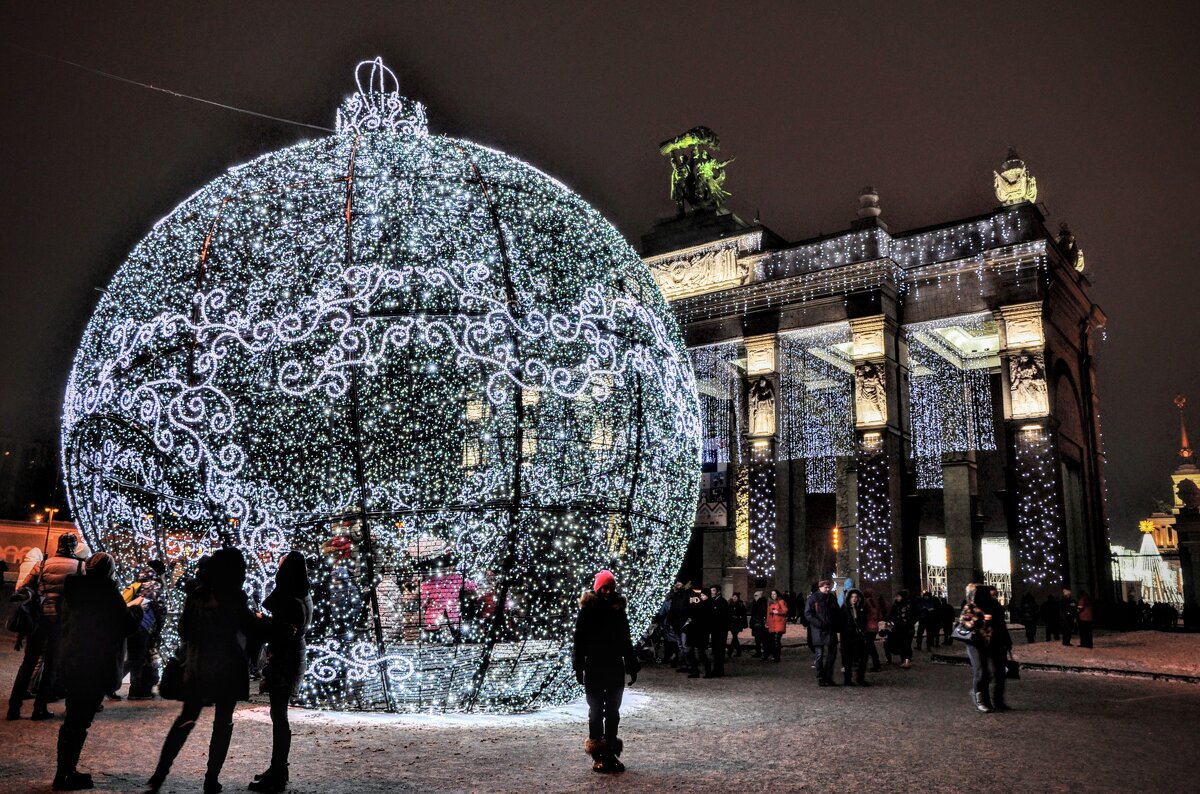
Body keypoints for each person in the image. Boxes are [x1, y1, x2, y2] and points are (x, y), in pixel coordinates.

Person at [146, 547, 261, 793]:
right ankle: (211, 777)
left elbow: (184, 630)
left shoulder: (197, 595)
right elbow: (250, 628)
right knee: (223, 722)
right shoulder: (234, 596)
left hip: (199, 663)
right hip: (227, 663)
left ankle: (160, 773)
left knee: (186, 718)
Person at [53, 552, 144, 790]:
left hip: (74, 660)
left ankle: (64, 770)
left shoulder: (73, 590)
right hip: (95, 665)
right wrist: (136, 612)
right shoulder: (108, 594)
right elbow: (124, 626)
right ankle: (65, 774)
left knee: (73, 719)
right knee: (80, 722)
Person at [248, 551, 313, 792]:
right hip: (289, 657)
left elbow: (283, 631)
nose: (278, 565)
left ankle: (278, 771)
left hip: (285, 661)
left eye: (282, 563)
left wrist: (260, 622)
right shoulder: (299, 593)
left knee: (279, 716)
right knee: (278, 716)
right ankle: (277, 767)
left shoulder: (291, 599)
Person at [8, 533, 85, 721]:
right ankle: (39, 708)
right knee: (51, 664)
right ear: (74, 547)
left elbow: (25, 588)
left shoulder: (42, 564)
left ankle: (14, 708)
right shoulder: (81, 567)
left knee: (28, 663)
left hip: (40, 618)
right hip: (62, 622)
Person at [573, 569, 639, 774]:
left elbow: (626, 641)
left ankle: (610, 752)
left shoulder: (618, 611)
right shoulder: (587, 611)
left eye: (611, 587)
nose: (609, 591)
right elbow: (579, 642)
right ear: (598, 587)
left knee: (612, 713)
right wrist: (578, 667)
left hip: (613, 667)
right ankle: (598, 755)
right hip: (594, 667)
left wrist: (631, 665)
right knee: (595, 713)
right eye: (605, 587)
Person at [959, 582, 1013, 713]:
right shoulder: (971, 607)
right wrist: (981, 621)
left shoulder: (995, 606)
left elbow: (1001, 626)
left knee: (999, 672)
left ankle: (998, 701)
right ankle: (981, 700)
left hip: (994, 642)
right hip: (977, 643)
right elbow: (964, 624)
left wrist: (1007, 641)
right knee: (982, 672)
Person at [124, 566, 167, 699]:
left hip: (131, 625)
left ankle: (122, 686)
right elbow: (161, 609)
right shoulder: (155, 586)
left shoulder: (135, 586)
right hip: (145, 627)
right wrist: (157, 629)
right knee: (142, 659)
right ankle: (139, 691)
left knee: (133, 658)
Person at [804, 580, 841, 685]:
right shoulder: (813, 598)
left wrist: (835, 624)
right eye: (825, 587)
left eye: (828, 587)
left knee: (831, 655)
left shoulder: (832, 598)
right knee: (819, 655)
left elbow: (837, 612)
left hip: (829, 629)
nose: (828, 589)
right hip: (818, 630)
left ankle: (828, 676)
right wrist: (818, 623)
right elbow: (808, 614)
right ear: (820, 587)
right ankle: (821, 677)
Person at [840, 588, 870, 686]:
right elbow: (841, 623)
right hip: (848, 637)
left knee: (862, 658)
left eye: (856, 597)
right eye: (852, 597)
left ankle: (860, 678)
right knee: (847, 659)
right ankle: (847, 680)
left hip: (859, 636)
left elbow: (864, 621)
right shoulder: (844, 609)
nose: (854, 599)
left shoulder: (861, 608)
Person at [682, 585, 711, 678]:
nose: (702, 597)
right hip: (694, 631)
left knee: (700, 652)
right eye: (701, 595)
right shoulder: (700, 604)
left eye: (703, 595)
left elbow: (695, 614)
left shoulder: (707, 605)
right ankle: (696, 670)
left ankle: (706, 671)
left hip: (700, 632)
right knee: (691, 651)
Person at [888, 590, 915, 669]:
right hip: (898, 628)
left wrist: (910, 623)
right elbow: (892, 615)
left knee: (906, 645)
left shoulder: (908, 606)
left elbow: (913, 615)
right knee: (900, 645)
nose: (897, 598)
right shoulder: (896, 605)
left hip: (907, 629)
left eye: (899, 596)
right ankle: (903, 660)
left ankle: (906, 661)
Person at [707, 586, 729, 677]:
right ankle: (717, 669)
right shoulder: (713, 601)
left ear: (718, 592)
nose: (712, 592)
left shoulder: (722, 602)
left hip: (720, 630)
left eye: (713, 590)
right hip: (715, 629)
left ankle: (718, 669)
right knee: (716, 650)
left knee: (719, 650)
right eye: (711, 590)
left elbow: (723, 616)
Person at [764, 589, 788, 663]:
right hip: (772, 624)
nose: (773, 595)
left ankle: (777, 657)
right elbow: (768, 614)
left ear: (777, 594)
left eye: (774, 594)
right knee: (772, 641)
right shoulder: (770, 603)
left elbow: (785, 610)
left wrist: (778, 612)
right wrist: (767, 623)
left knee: (776, 640)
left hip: (779, 623)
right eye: (772, 594)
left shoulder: (781, 601)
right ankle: (774, 655)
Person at [863, 589, 884, 672]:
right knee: (870, 646)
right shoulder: (875, 603)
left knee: (870, 646)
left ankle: (876, 664)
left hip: (868, 626)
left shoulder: (865, 602)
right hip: (874, 626)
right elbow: (879, 616)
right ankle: (876, 664)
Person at [727, 592, 748, 657]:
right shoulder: (730, 604)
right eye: (733, 597)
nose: (734, 598)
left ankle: (730, 651)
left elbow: (743, 614)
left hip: (738, 623)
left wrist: (738, 617)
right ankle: (737, 652)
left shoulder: (740, 604)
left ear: (738, 598)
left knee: (735, 637)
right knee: (735, 637)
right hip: (732, 623)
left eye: (735, 597)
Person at [749, 591, 767, 658]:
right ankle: (759, 652)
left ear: (760, 596)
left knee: (761, 639)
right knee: (757, 639)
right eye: (754, 595)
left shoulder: (761, 603)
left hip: (759, 623)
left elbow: (762, 612)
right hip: (756, 623)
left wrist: (760, 621)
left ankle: (764, 652)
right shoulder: (755, 603)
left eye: (756, 595)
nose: (754, 597)